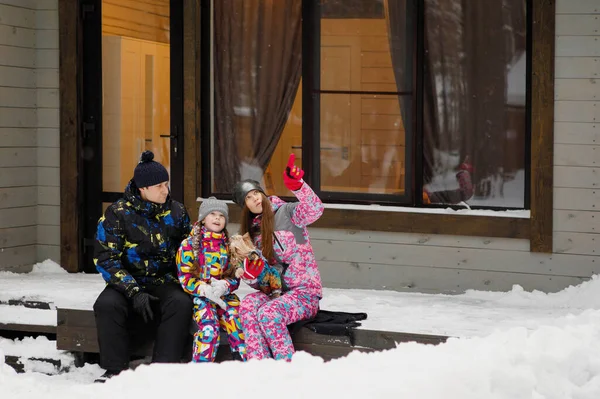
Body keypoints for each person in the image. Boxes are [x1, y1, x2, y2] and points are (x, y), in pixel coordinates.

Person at [93, 151, 192, 382]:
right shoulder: (117, 213)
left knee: (180, 303)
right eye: (159, 185)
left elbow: (189, 250)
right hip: (129, 281)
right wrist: (134, 291)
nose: (165, 190)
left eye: (166, 184)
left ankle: (163, 368)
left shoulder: (177, 211)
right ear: (142, 188)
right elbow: (106, 258)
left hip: (164, 279)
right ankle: (114, 370)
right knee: (106, 305)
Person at [233, 153, 324, 361]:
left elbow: (315, 209)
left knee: (268, 314)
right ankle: (259, 366)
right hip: (277, 293)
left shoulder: (288, 213)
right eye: (248, 197)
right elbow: (264, 284)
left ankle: (286, 368)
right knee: (247, 305)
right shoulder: (251, 236)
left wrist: (298, 185)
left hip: (304, 293)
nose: (255, 198)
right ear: (244, 206)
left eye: (256, 192)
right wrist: (253, 276)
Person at [176, 197, 247, 362]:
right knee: (209, 328)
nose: (217, 218)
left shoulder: (229, 246)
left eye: (221, 216)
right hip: (200, 297)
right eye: (213, 214)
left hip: (224, 296)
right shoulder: (188, 245)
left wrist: (225, 285)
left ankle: (243, 363)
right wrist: (203, 289)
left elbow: (234, 274)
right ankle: (202, 368)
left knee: (238, 321)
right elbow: (185, 277)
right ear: (203, 219)